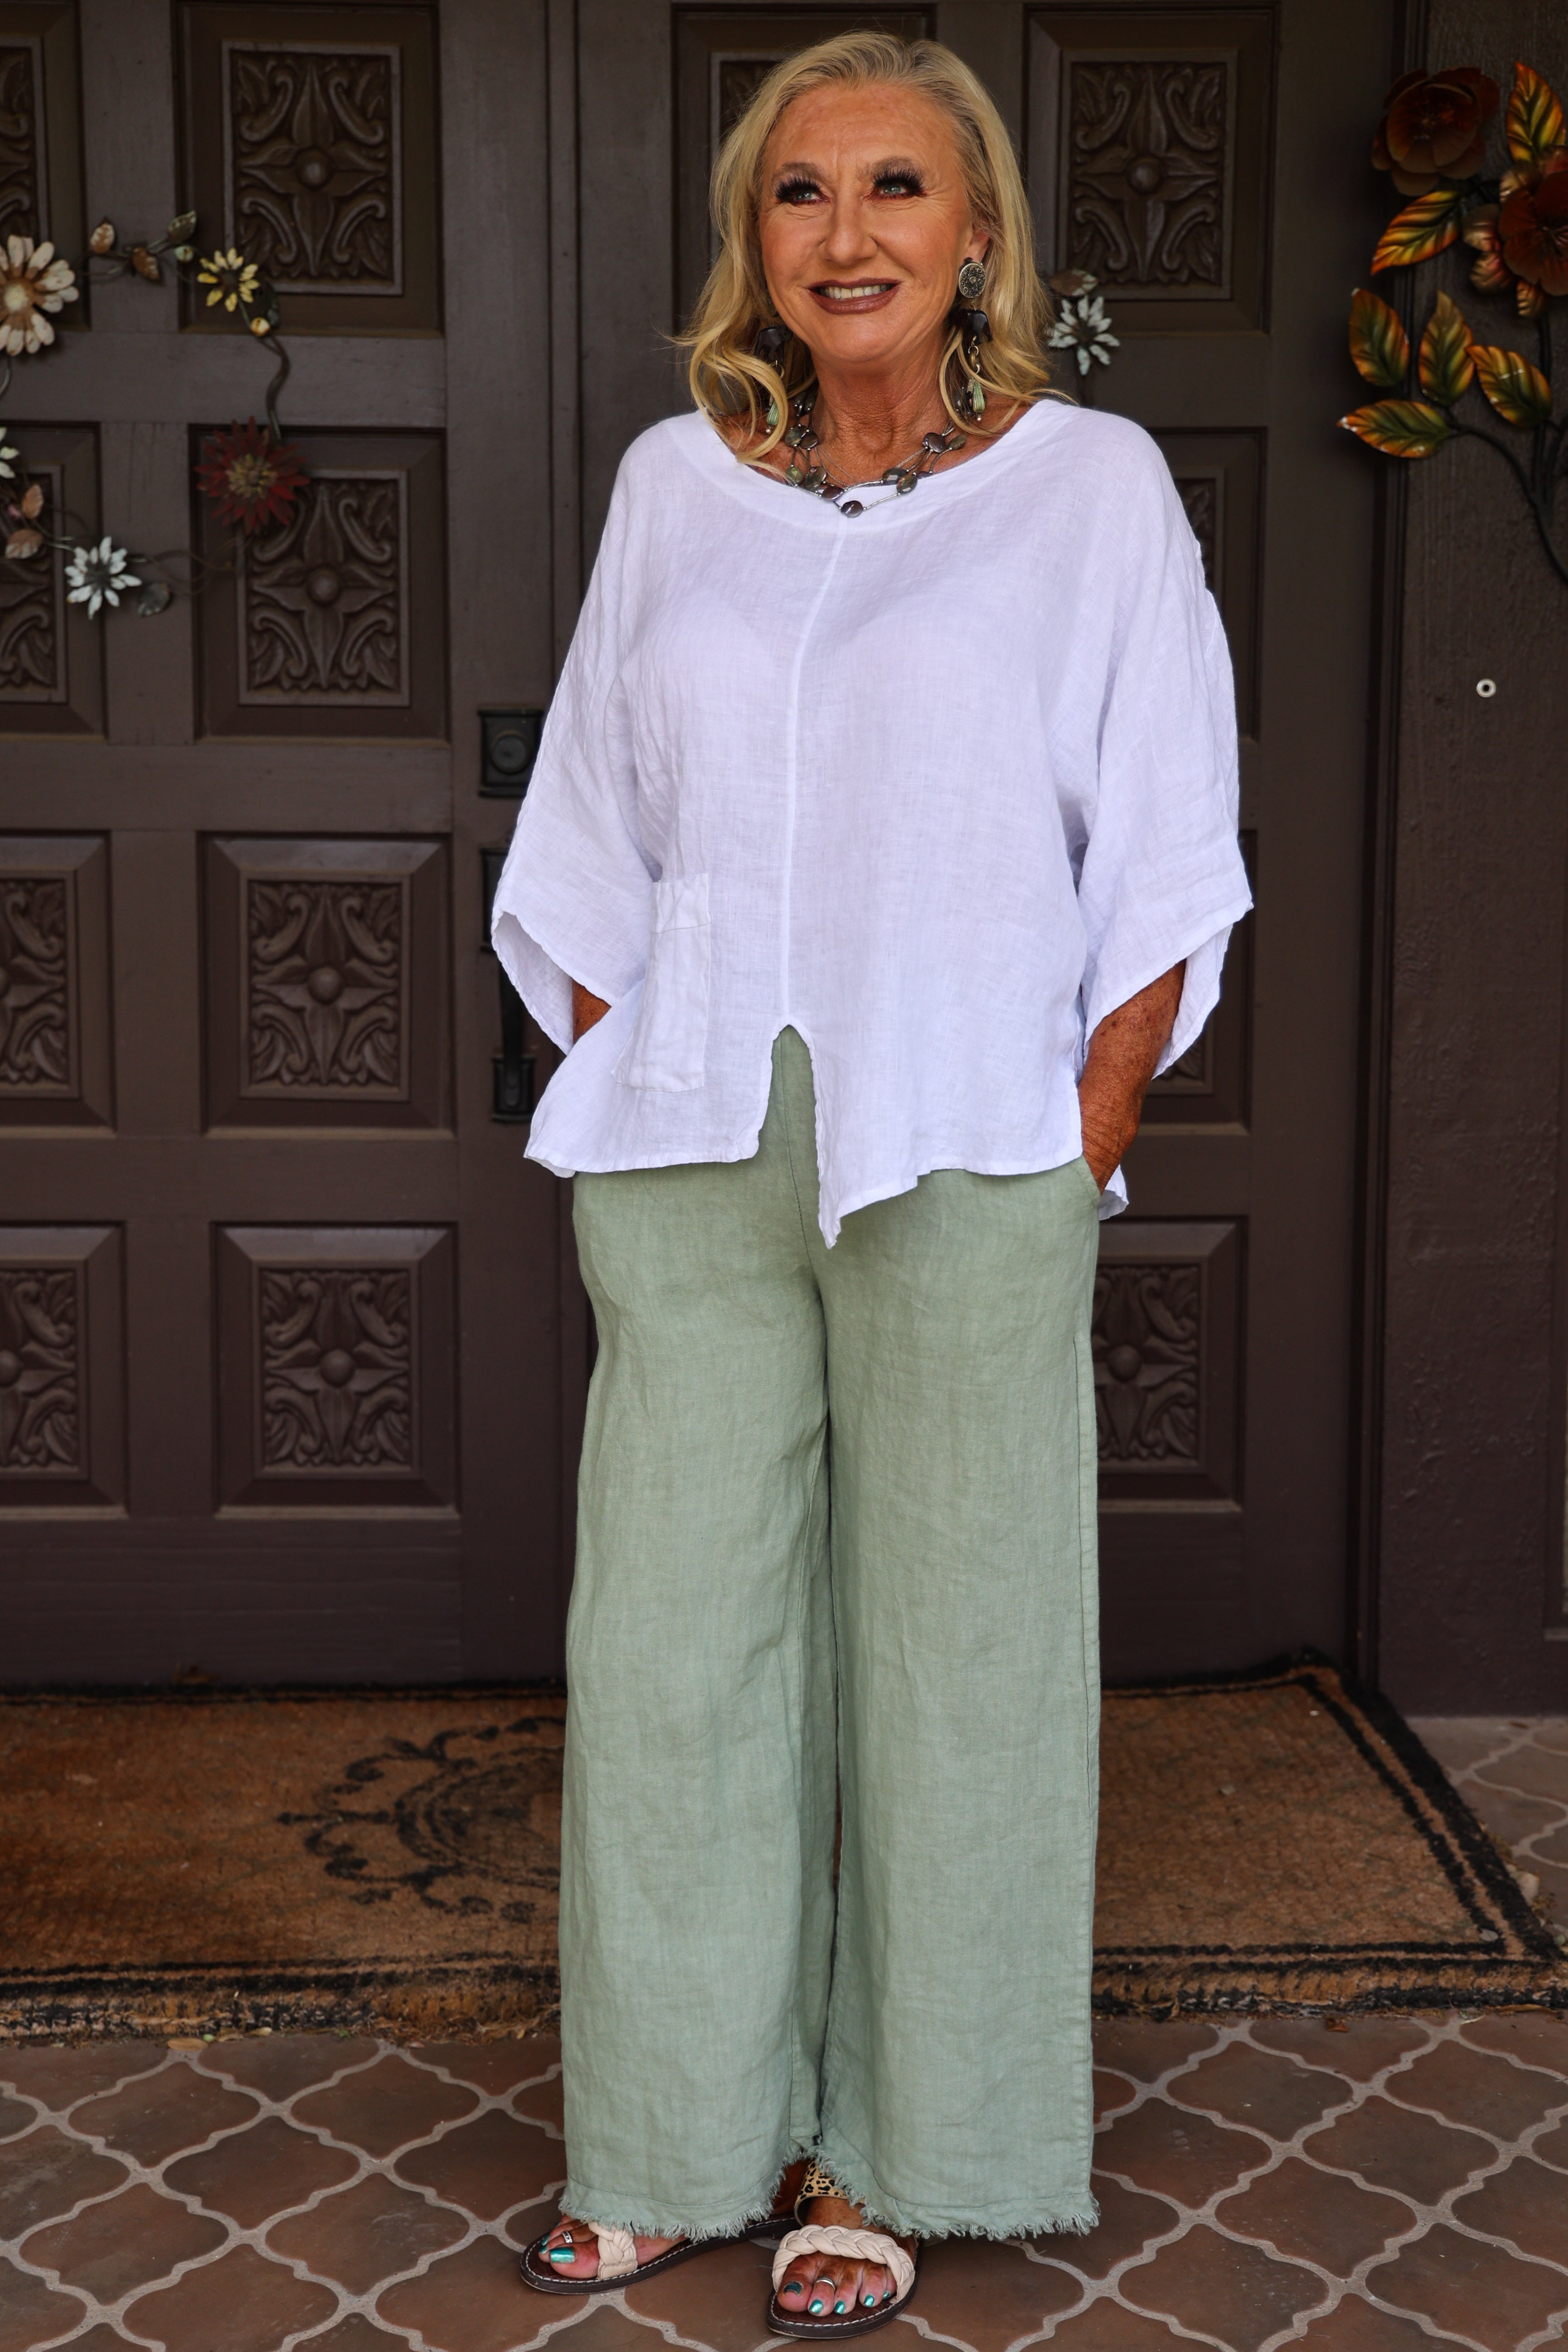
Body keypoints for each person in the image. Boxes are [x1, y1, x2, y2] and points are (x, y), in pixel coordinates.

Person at [495, 28, 1250, 2338]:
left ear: (978, 235)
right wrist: (633, 1050)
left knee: (959, 1652)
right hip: (703, 1136)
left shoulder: (1094, 491)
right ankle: (670, 2133)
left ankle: (907, 2144)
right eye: (804, 194)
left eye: (897, 189)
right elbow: (594, 815)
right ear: (758, 241)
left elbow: (1170, 839)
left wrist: (1088, 1116)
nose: (848, 235)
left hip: (968, 1132)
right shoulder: (669, 490)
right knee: (675, 1653)